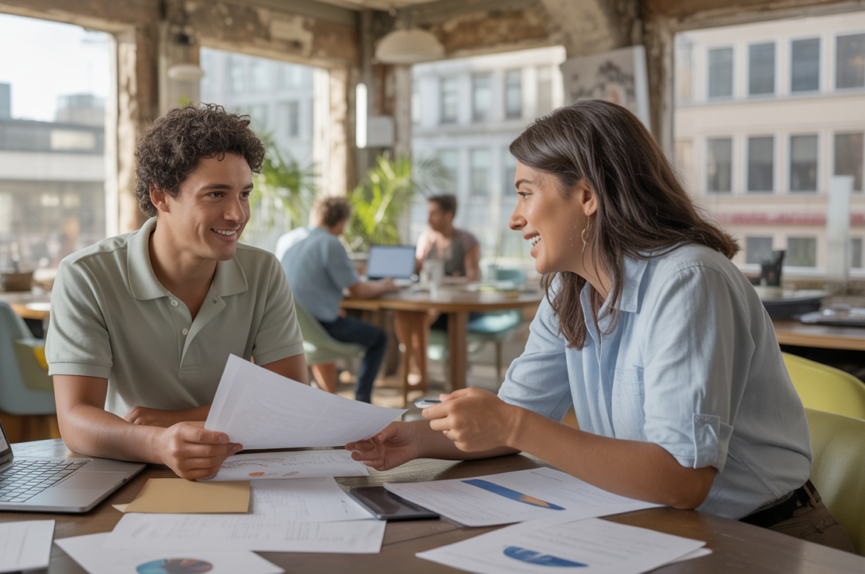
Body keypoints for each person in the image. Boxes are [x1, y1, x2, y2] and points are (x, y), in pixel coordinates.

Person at [347, 100, 855, 551]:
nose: (515, 219)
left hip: (767, 538)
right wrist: (416, 439)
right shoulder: (571, 290)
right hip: (653, 525)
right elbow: (514, 418)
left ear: (587, 195)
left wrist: (512, 424)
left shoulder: (689, 280)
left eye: (525, 193)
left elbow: (683, 481)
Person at [46, 105, 308, 480]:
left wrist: (177, 420)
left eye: (244, 194)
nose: (237, 214)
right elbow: (75, 420)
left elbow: (293, 404)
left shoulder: (263, 271)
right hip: (129, 467)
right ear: (160, 195)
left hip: (237, 468)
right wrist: (159, 443)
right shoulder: (86, 275)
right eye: (216, 194)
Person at [277, 196, 400, 402]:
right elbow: (358, 291)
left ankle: (328, 400)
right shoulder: (330, 243)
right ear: (342, 222)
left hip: (289, 326)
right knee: (379, 338)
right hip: (321, 328)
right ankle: (362, 400)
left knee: (336, 323)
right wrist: (385, 285)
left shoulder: (288, 238)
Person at [395, 194, 482, 388]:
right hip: (431, 302)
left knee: (422, 316)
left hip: (457, 306)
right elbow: (415, 270)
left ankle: (427, 376)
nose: (428, 219)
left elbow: (474, 278)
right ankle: (418, 371)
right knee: (402, 314)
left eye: (433, 214)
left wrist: (444, 281)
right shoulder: (426, 239)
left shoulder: (466, 240)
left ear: (448, 215)